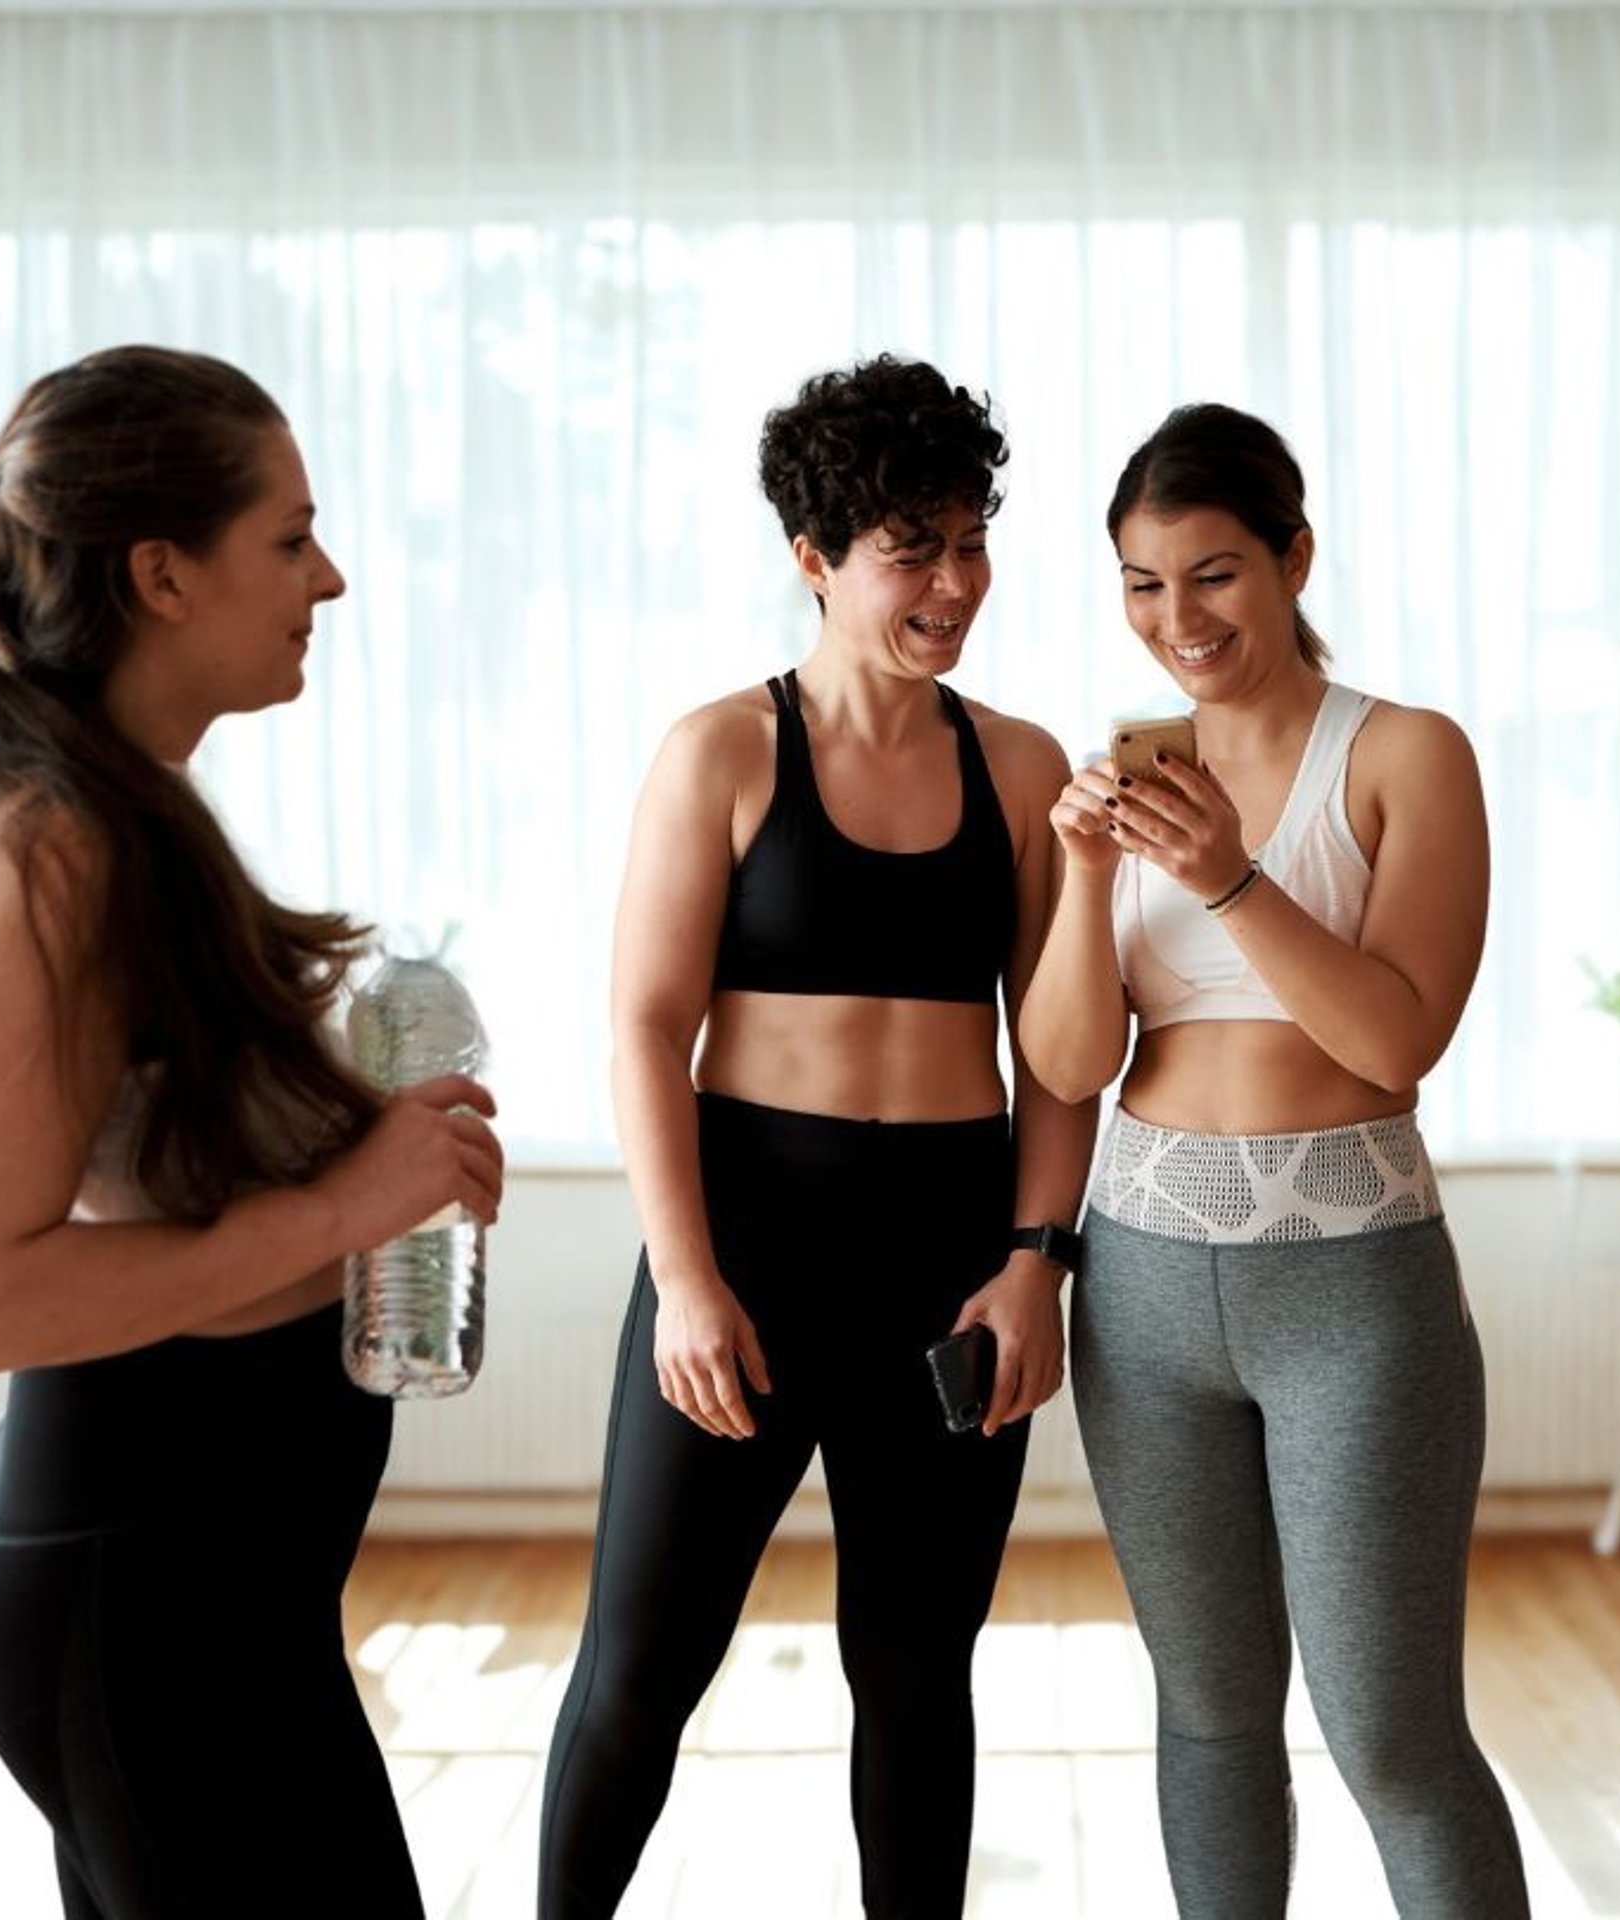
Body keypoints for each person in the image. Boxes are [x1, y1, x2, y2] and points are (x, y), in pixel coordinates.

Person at [0, 346, 504, 1919]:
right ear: (161, 573)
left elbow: (164, 1205)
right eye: (288, 536)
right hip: (142, 1600)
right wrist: (346, 1207)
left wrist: (378, 1173)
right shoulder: (57, 847)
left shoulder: (126, 818)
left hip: (209, 1594)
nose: (327, 577)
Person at [537, 353, 1096, 1920]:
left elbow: (1057, 1060)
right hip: (747, 1245)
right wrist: (689, 1278)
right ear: (814, 557)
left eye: (971, 539)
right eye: (911, 548)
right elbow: (645, 1028)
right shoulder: (720, 751)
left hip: (948, 1256)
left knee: (919, 1677)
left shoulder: (1024, 766)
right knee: (643, 1665)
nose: (955, 581)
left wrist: (1035, 1261)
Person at [1019, 401, 1530, 1916]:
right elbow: (1064, 1064)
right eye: (1142, 583)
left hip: (1356, 1294)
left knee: (1389, 1732)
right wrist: (1084, 874)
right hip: (1146, 1284)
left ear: (1297, 557)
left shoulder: (1407, 755)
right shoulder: (1122, 785)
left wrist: (1228, 877)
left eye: (1216, 573)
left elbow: (1395, 1041)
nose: (1178, 620)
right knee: (1211, 1718)